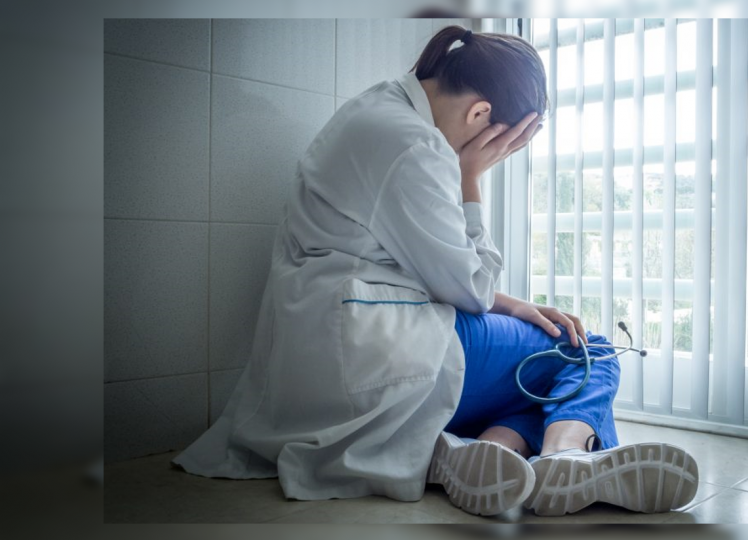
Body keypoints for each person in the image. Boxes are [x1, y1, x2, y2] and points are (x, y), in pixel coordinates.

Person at [172, 25, 698, 518]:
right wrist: (472, 177)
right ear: (481, 115)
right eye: (504, 145)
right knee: (589, 351)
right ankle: (566, 458)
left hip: (325, 351)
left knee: (530, 383)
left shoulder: (374, 110)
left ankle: (491, 452)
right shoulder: (417, 147)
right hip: (375, 353)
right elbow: (471, 288)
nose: (497, 156)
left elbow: (432, 266)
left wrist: (514, 305)